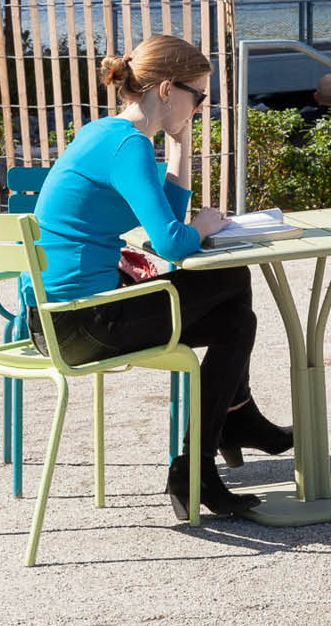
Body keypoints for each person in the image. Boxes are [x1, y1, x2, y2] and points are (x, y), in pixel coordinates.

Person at [21, 33, 292, 518]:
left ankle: (214, 446)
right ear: (167, 89)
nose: (201, 106)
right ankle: (225, 429)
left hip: (51, 320)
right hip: (84, 325)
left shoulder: (103, 133)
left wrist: (181, 150)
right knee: (232, 281)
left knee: (237, 322)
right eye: (199, 96)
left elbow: (164, 214)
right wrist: (205, 226)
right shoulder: (128, 147)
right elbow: (170, 241)